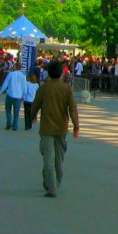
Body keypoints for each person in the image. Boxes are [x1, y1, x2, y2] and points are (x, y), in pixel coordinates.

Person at [30, 61, 80, 198]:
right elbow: (72, 109)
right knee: (59, 157)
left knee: (48, 158)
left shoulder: (44, 88)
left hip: (46, 128)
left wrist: (32, 116)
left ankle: (50, 186)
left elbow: (35, 105)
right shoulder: (66, 89)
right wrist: (76, 126)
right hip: (61, 128)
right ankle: (56, 181)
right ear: (61, 73)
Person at [0, 65, 28, 131]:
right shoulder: (23, 76)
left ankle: (9, 123)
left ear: (15, 67)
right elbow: (24, 87)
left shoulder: (11, 74)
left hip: (10, 94)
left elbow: (6, 83)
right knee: (16, 112)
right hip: (18, 96)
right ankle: (15, 126)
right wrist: (24, 96)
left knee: (8, 109)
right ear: (21, 69)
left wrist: (1, 91)